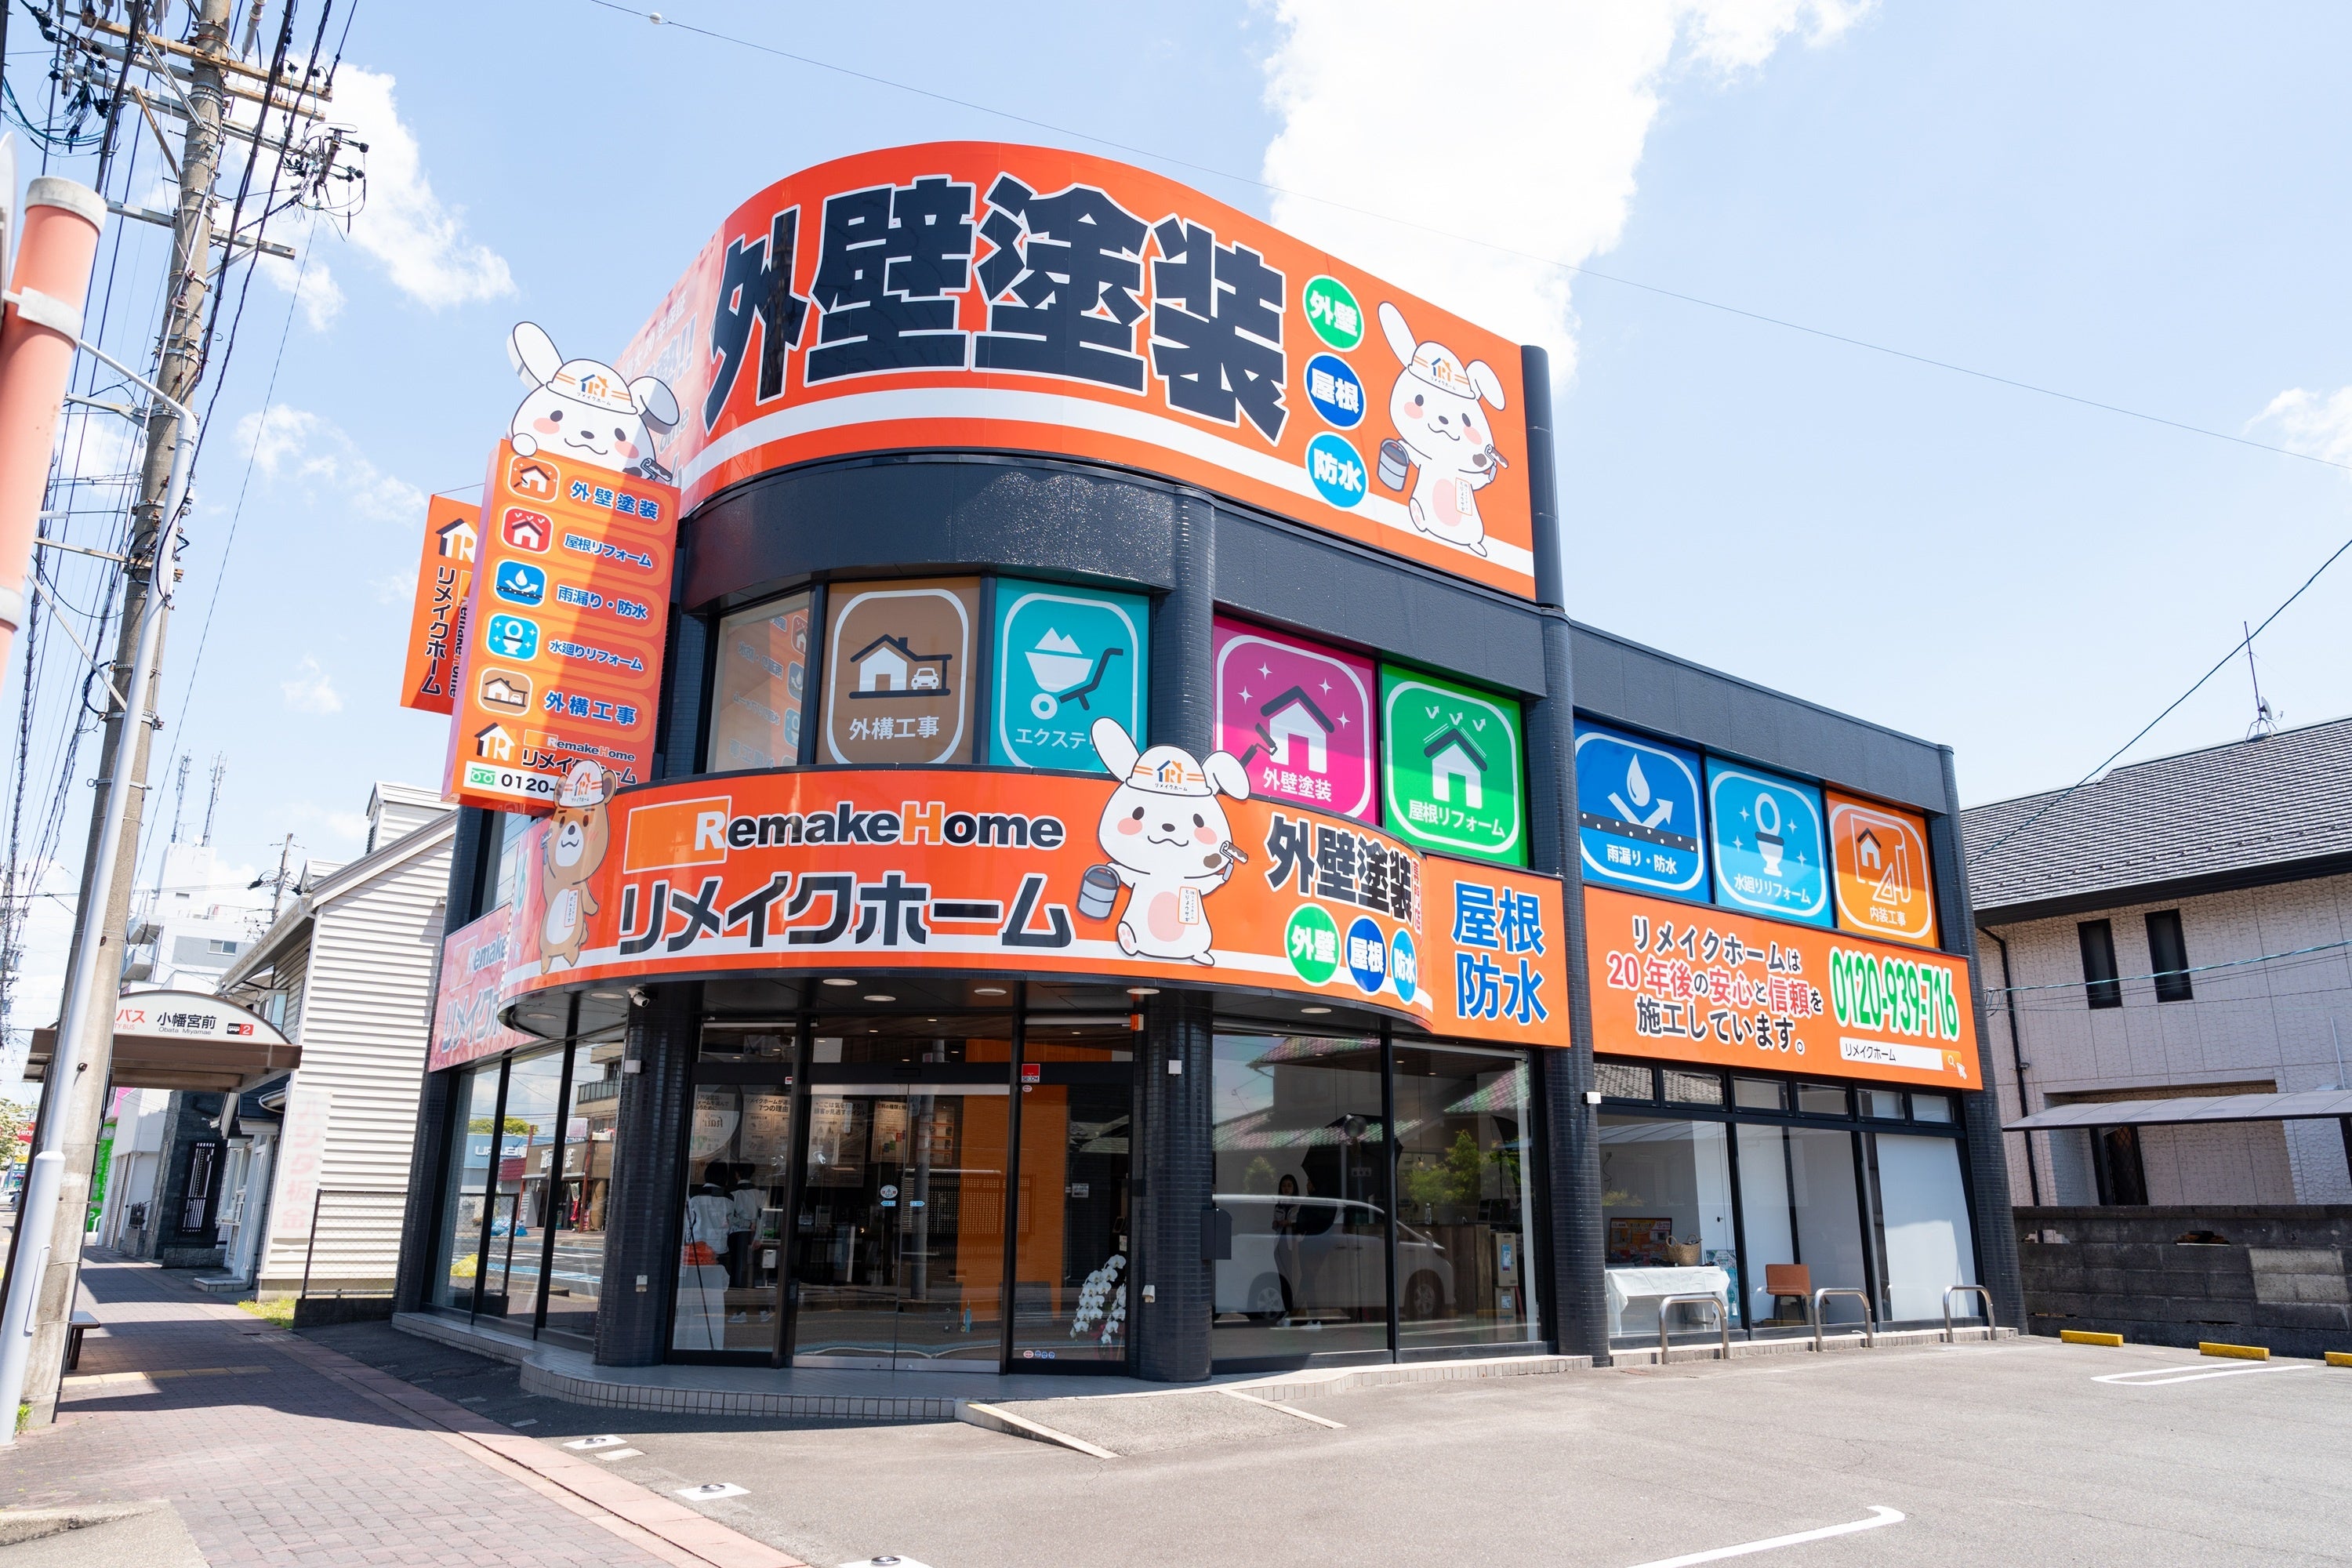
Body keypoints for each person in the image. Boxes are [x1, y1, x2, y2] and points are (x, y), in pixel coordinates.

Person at [679, 1162, 742, 1348]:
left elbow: (688, 1223)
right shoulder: (729, 1198)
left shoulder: (694, 1195)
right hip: (719, 1250)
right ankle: (712, 1327)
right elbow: (730, 1223)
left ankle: (693, 1322)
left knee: (694, 1291)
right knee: (715, 1293)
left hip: (696, 1249)